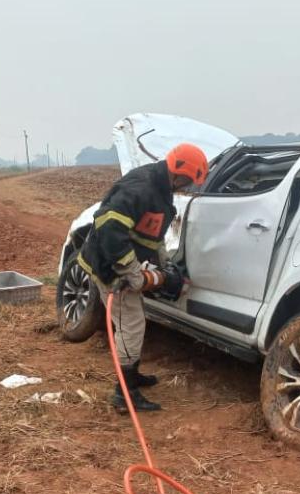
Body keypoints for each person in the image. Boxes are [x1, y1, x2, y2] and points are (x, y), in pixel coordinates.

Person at [77, 143, 208, 412]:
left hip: (116, 262)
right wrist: (131, 272)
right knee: (131, 325)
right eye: (189, 182)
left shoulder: (160, 188)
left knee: (132, 324)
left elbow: (151, 235)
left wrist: (165, 266)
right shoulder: (143, 188)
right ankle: (124, 393)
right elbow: (110, 228)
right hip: (109, 266)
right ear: (179, 172)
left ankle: (131, 375)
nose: (188, 188)